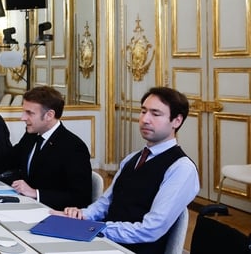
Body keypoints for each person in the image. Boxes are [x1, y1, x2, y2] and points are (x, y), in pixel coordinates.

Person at [55, 87, 199, 254]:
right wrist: (81, 215)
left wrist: (96, 229)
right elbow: (106, 203)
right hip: (104, 242)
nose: (145, 119)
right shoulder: (132, 158)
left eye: (155, 114)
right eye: (143, 111)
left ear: (177, 121)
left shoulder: (181, 168)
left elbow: (150, 229)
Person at [6, 86, 92, 210]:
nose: (22, 117)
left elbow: (80, 197)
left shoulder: (73, 147)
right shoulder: (32, 135)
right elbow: (10, 161)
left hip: (53, 215)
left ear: (49, 115)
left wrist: (36, 193)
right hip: (24, 206)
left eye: (29, 113)